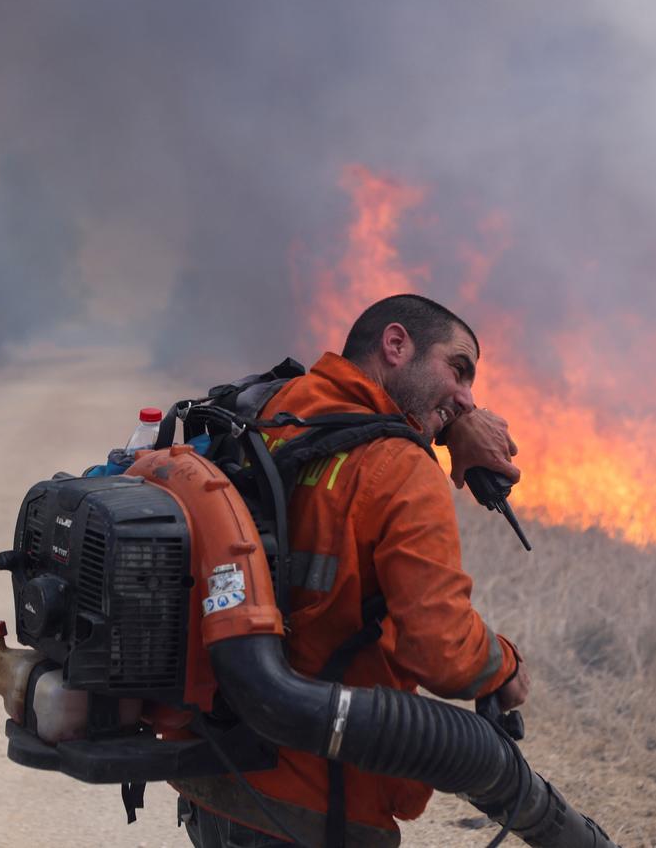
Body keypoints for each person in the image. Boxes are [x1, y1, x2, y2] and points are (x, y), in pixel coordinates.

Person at [174, 294, 529, 847]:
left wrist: (449, 426)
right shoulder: (401, 470)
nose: (467, 397)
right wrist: (504, 666)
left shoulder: (267, 408)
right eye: (458, 370)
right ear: (395, 344)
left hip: (216, 784)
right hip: (320, 804)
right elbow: (441, 650)